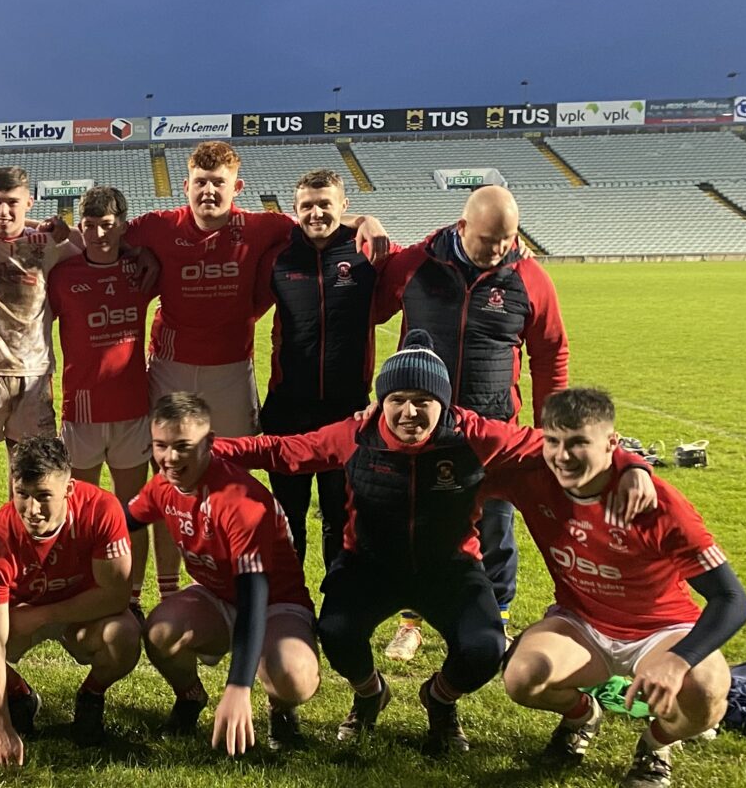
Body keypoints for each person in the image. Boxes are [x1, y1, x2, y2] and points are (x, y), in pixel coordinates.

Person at [213, 334, 649, 754]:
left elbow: (553, 445)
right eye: (397, 400)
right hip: (369, 565)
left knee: (485, 649)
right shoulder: (356, 434)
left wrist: (629, 464)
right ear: (381, 402)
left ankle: (439, 699)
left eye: (423, 401)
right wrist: (207, 450)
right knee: (337, 632)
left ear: (444, 403)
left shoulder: (475, 435)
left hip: (450, 568)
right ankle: (371, 693)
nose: (409, 412)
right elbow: (282, 451)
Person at [123, 142, 384, 597]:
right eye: (200, 182)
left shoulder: (263, 227)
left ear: (237, 187)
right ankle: (169, 591)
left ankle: (226, 584)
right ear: (185, 186)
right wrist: (140, 254)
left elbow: (319, 219)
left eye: (218, 183)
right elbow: (105, 235)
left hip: (231, 369)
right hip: (171, 366)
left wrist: (366, 220)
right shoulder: (158, 226)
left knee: (231, 477)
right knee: (170, 480)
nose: (208, 191)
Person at [493, 387, 746, 788]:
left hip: (661, 630)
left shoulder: (658, 505)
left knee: (705, 693)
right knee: (523, 677)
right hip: (582, 623)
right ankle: (582, 716)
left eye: (579, 442)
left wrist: (678, 661)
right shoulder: (533, 479)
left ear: (612, 443)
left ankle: (656, 744)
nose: (563, 456)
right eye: (553, 441)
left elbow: (732, 599)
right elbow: (463, 461)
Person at [373, 183, 568, 620]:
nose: (497, 250)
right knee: (419, 525)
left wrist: (548, 430)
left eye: (507, 240)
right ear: (461, 227)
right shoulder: (416, 264)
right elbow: (368, 312)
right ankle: (413, 619)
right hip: (422, 426)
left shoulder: (529, 277)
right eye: (487, 240)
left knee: (495, 524)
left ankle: (496, 616)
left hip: (496, 426)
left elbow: (551, 353)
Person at [125, 392, 321, 755]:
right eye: (161, 446)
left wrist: (238, 687)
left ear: (209, 443)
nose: (170, 458)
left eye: (183, 446)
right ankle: (190, 697)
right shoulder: (164, 484)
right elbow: (122, 523)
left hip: (275, 603)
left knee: (293, 676)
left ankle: (280, 708)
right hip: (217, 596)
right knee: (160, 632)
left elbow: (254, 598)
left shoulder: (241, 502)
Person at [0, 436, 140, 767]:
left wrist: (42, 615)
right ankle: (19, 695)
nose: (32, 510)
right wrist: (0, 726)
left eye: (44, 496)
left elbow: (117, 596)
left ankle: (91, 695)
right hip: (19, 613)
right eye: (23, 494)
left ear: (69, 489)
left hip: (81, 614)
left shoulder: (102, 511)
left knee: (125, 636)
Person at [258, 169, 384, 562]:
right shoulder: (278, 254)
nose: (316, 213)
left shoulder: (367, 251)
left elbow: (418, 266)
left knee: (340, 520)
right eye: (307, 206)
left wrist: (366, 221)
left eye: (325, 204)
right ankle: (289, 596)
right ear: (295, 210)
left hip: (347, 412)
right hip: (287, 411)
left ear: (343, 205)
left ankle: (337, 595)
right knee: (287, 519)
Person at [0, 163, 75, 523]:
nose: (3, 211)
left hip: (33, 381)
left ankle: (19, 556)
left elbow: (95, 243)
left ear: (29, 203)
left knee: (28, 491)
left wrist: (52, 227)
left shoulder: (47, 244)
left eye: (12, 203)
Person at [46, 185, 155, 595]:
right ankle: (84, 594)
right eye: (89, 226)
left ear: (123, 225)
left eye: (107, 225)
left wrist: (141, 253)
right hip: (82, 410)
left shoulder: (140, 269)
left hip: (131, 409)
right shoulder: (63, 276)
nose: (98, 235)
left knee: (133, 514)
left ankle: (133, 595)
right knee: (81, 514)